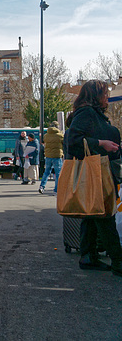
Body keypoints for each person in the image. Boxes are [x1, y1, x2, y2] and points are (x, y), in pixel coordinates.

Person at [65, 79, 122, 276]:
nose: (107, 97)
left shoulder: (93, 113)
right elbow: (72, 141)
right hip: (95, 173)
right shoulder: (86, 113)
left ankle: (88, 256)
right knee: (105, 217)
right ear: (96, 95)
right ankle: (118, 262)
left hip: (100, 171)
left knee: (92, 216)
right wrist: (102, 143)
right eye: (105, 93)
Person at [39, 121, 64, 194]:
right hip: (57, 155)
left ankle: (42, 186)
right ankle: (56, 190)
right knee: (58, 173)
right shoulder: (60, 135)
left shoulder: (46, 135)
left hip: (48, 155)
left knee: (46, 172)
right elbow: (64, 143)